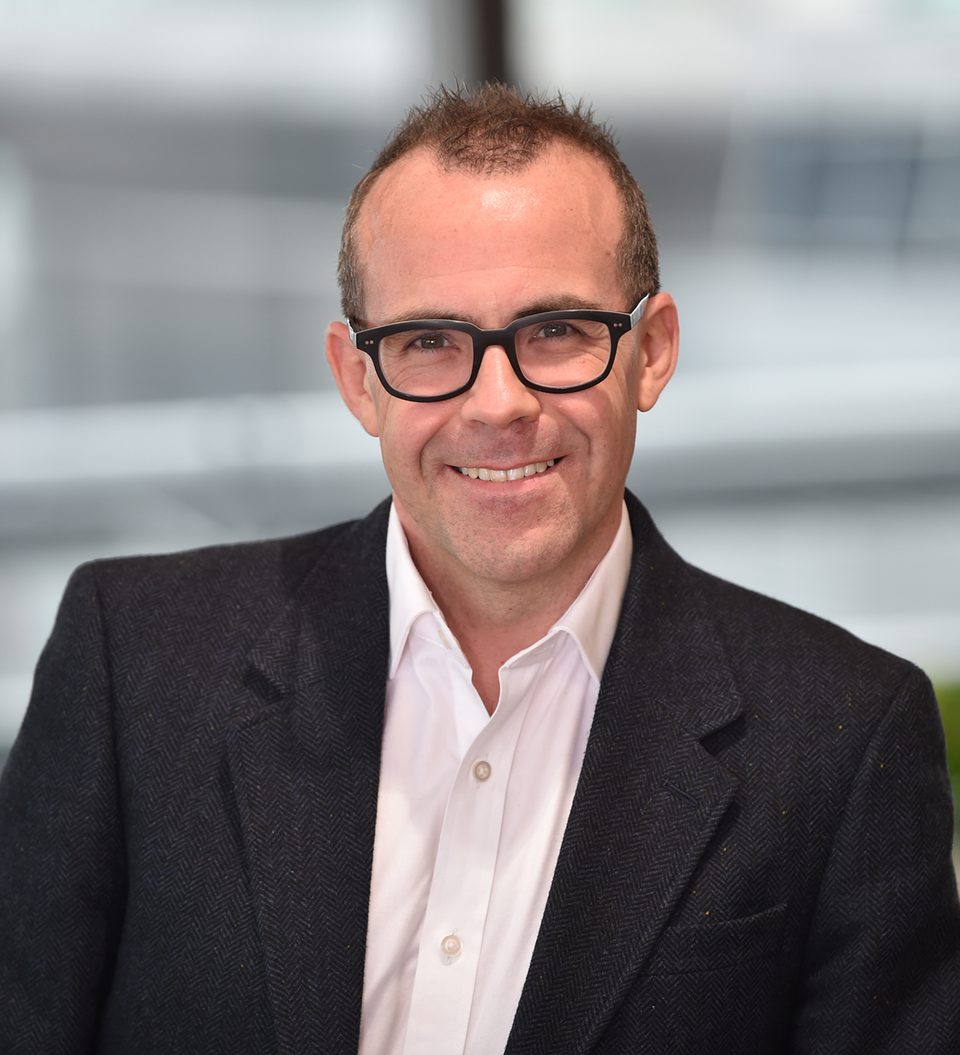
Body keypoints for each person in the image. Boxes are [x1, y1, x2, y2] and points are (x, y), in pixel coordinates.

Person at [1, 83, 958, 1055]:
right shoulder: (136, 660)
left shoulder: (844, 738)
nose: (497, 403)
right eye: (429, 341)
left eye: (554, 331)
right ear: (357, 378)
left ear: (653, 351)